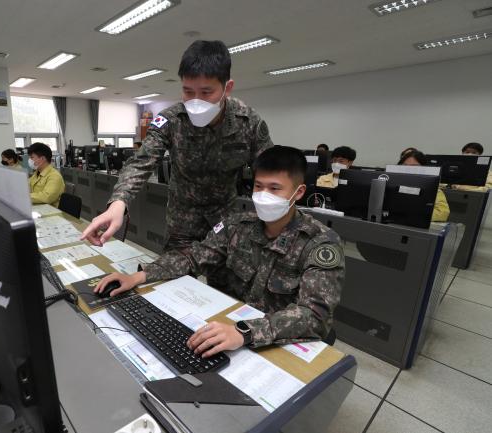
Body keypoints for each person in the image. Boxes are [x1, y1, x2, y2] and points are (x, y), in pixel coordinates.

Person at [95, 146, 344, 355]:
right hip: (225, 327)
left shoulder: (321, 243)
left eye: (275, 188)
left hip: (275, 340)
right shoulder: (237, 224)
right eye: (258, 186)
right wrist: (139, 276)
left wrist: (244, 331)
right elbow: (194, 256)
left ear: (298, 192)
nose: (263, 195)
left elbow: (314, 316)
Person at [81, 40, 273, 258]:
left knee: (224, 285)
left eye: (206, 92)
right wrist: (119, 202)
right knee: (174, 281)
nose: (195, 100)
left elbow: (271, 168)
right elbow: (141, 162)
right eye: (188, 91)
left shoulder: (247, 121)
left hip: (224, 221)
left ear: (227, 88)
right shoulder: (171, 119)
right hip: (182, 221)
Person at [398, 150, 450, 222]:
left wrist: (413, 214)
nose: (409, 170)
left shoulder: (433, 188)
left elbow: (443, 213)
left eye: (414, 167)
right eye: (405, 166)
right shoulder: (390, 184)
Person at [28, 142, 65, 207]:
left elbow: (47, 197)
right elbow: (28, 186)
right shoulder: (37, 173)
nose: (30, 160)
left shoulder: (54, 176)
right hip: (38, 208)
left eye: (32, 157)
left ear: (42, 158)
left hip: (51, 212)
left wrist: (25, 196)